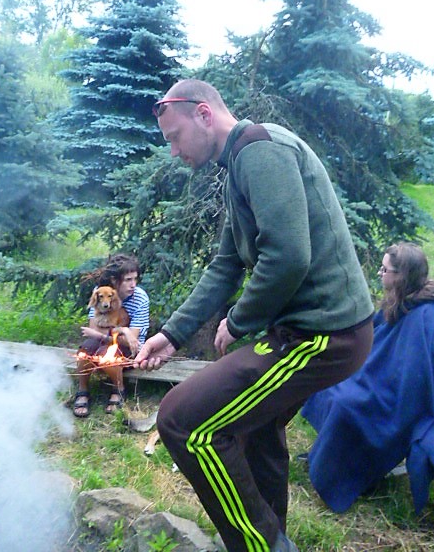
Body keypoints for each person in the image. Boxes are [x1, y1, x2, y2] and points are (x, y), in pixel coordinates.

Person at [133, 79, 374, 552]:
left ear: (204, 114)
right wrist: (173, 334)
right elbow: (226, 265)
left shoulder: (260, 150)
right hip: (305, 331)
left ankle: (262, 546)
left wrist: (238, 321)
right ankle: (273, 535)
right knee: (256, 429)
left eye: (174, 137)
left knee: (183, 420)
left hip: (324, 336)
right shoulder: (239, 163)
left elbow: (288, 257)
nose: (174, 152)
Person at [301, 242, 434, 514]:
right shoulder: (403, 300)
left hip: (401, 400)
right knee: (328, 385)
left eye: (385, 270)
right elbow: (376, 337)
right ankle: (331, 461)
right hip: (378, 380)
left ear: (402, 276)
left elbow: (424, 375)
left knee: (347, 408)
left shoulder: (431, 316)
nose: (380, 274)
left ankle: (337, 479)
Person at [73, 254, 149, 418]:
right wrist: (119, 332)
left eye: (135, 279)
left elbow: (131, 342)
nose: (133, 284)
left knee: (106, 354)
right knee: (85, 350)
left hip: (130, 351)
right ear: (114, 280)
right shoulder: (101, 292)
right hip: (103, 341)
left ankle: (119, 390)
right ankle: (83, 390)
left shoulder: (140, 298)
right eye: (128, 280)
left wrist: (122, 331)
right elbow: (93, 329)